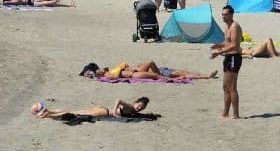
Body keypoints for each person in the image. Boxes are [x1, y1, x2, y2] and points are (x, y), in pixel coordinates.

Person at [210, 5, 243, 119]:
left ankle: (236, 114)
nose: (223, 16)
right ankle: (225, 113)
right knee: (225, 87)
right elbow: (227, 43)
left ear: (231, 15)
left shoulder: (234, 27)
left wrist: (218, 53)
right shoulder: (226, 26)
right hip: (228, 58)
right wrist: (218, 46)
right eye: (222, 14)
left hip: (234, 57)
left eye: (225, 14)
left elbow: (234, 45)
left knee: (232, 87)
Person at [81, 61, 217, 80]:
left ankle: (204, 75)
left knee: (180, 71)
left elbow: (124, 65)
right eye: (96, 71)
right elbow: (115, 76)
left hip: (136, 71)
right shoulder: (107, 74)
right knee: (176, 75)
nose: (99, 70)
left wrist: (125, 66)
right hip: (137, 73)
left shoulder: (108, 71)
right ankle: (205, 77)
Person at [32, 97, 150, 119]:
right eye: (139, 105)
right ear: (135, 103)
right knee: (76, 114)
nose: (139, 108)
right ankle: (48, 115)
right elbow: (118, 100)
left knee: (75, 112)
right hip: (104, 112)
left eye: (142, 107)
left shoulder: (133, 110)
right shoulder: (130, 107)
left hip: (102, 109)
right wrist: (114, 111)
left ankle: (49, 112)